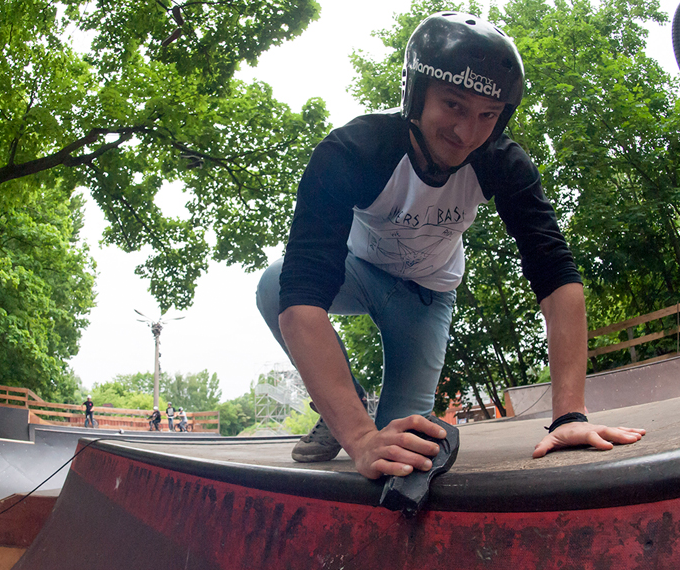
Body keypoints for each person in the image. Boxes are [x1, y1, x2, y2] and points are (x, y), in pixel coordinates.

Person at [256, 12, 645, 481]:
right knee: (274, 284)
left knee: (402, 446)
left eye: (488, 115)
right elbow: (302, 296)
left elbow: (556, 275)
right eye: (454, 106)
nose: (467, 133)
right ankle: (345, 405)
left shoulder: (503, 162)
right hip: (355, 274)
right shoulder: (353, 152)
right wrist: (357, 438)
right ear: (416, 95)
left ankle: (362, 416)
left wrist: (570, 416)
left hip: (427, 296)